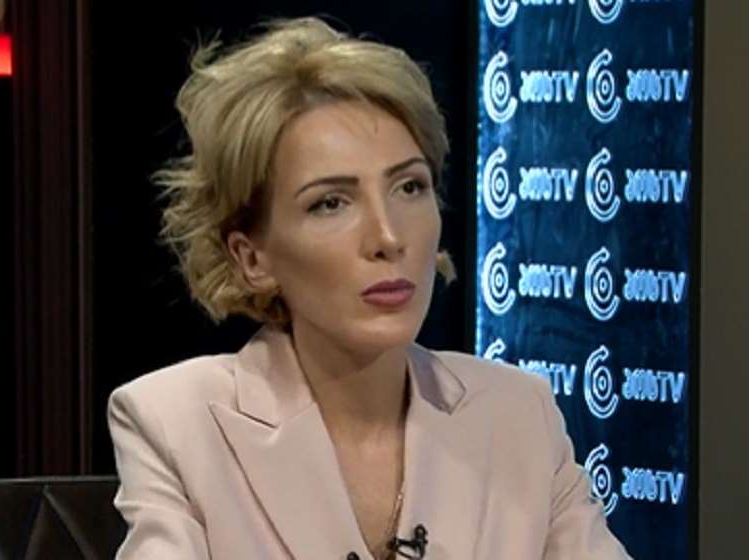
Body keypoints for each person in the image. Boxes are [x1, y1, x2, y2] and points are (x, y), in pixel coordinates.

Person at [107, 16, 632, 559]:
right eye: (330, 203)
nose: (387, 237)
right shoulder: (177, 425)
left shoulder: (518, 414)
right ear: (252, 258)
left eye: (409, 187)